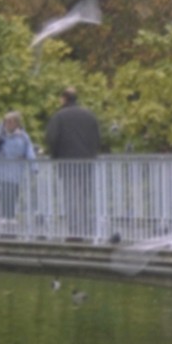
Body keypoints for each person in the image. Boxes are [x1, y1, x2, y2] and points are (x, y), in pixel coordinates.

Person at [46, 87, 101, 237]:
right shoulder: (89, 115)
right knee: (84, 197)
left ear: (64, 98)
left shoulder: (59, 116)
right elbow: (97, 138)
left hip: (67, 163)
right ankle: (86, 227)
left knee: (70, 196)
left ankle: (74, 229)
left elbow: (52, 138)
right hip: (87, 163)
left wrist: (54, 156)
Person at [0, 112, 37, 226]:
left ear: (17, 123)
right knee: (5, 190)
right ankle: (3, 214)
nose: (9, 124)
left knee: (14, 191)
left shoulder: (23, 136)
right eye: (7, 122)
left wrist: (34, 166)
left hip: (16, 168)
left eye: (12, 122)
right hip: (1, 166)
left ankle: (10, 215)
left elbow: (29, 150)